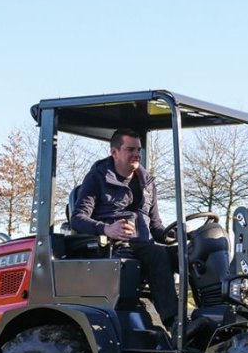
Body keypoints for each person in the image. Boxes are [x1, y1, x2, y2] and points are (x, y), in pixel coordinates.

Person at [71, 128, 178, 329]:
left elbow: (156, 227)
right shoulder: (98, 178)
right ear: (115, 152)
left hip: (145, 244)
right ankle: (175, 324)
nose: (136, 154)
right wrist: (106, 229)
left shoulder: (147, 183)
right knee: (156, 254)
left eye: (138, 149)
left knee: (190, 253)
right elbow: (77, 218)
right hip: (116, 247)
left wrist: (175, 234)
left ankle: (212, 313)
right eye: (130, 149)